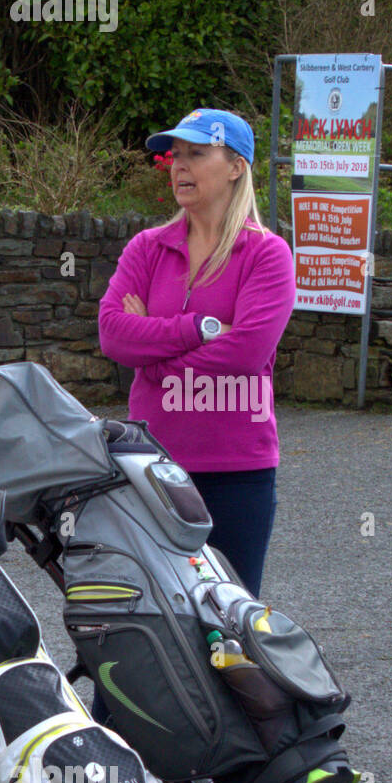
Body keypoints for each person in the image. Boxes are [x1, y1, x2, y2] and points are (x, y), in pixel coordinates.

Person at [98, 108, 296, 598]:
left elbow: (246, 352)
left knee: (232, 621)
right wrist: (200, 328)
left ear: (235, 167)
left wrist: (153, 349)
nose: (178, 166)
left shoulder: (267, 254)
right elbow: (112, 335)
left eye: (196, 153)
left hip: (237, 472)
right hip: (151, 466)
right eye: (176, 154)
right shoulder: (147, 248)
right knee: (158, 615)